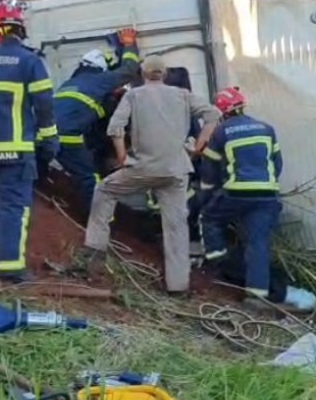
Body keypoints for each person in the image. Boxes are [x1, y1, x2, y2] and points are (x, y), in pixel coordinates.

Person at [76, 55, 220, 294]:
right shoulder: (183, 95)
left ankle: (94, 248)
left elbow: (115, 128)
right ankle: (178, 286)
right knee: (176, 228)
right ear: (164, 74)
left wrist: (123, 157)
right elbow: (213, 115)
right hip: (176, 171)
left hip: (143, 168)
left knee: (105, 190)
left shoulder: (134, 95)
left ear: (142, 74)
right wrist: (199, 146)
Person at [197, 87, 315, 310]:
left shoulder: (221, 132)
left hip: (236, 192)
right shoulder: (266, 129)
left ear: (222, 111)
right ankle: (256, 296)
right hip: (267, 194)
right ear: (242, 106)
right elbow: (276, 164)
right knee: (257, 242)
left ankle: (217, 259)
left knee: (209, 218)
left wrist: (207, 193)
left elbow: (209, 170)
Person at [0, 1, 59, 283]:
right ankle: (10, 267)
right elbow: (44, 106)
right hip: (15, 149)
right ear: (20, 29)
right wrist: (49, 140)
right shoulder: (29, 62)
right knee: (13, 207)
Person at [49, 29, 140, 215]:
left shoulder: (69, 84)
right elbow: (129, 69)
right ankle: (100, 224)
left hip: (43, 136)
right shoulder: (100, 80)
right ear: (100, 68)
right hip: (67, 138)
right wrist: (129, 45)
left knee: (71, 170)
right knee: (89, 178)